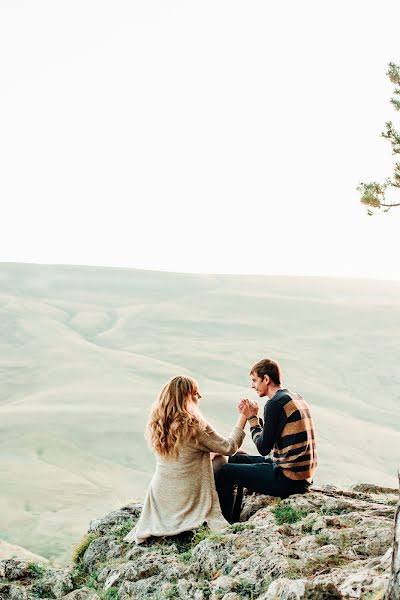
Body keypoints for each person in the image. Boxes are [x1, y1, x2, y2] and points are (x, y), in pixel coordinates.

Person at [123, 375, 247, 544]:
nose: (200, 397)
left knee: (221, 457)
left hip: (162, 497)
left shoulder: (157, 423)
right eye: (196, 393)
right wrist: (244, 416)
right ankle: (230, 518)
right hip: (186, 495)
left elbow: (186, 456)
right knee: (224, 463)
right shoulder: (194, 424)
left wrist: (215, 452)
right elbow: (228, 447)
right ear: (186, 398)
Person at [214, 358, 317, 523]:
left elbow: (263, 447)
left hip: (289, 479)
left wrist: (252, 418)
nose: (253, 386)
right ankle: (235, 515)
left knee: (224, 473)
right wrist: (255, 418)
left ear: (266, 379)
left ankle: (226, 523)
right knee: (235, 459)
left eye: (255, 380)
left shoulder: (275, 403)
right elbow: (270, 439)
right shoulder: (293, 397)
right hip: (302, 476)